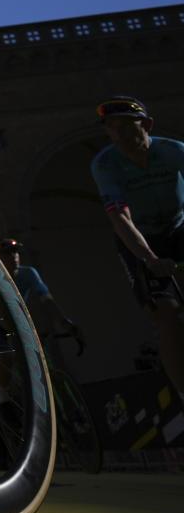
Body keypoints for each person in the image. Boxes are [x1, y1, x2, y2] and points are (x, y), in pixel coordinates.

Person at [89, 96, 184, 396]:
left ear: (147, 125)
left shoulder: (173, 151)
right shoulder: (106, 164)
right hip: (141, 239)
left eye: (127, 127)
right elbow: (120, 218)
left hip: (178, 227)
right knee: (166, 316)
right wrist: (150, 259)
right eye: (112, 129)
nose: (119, 135)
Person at [0, 238, 83, 350]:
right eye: (7, 253)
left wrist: (65, 323)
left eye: (15, 251)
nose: (14, 256)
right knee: (5, 355)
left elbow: (47, 299)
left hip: (15, 323)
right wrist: (21, 332)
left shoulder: (28, 273)